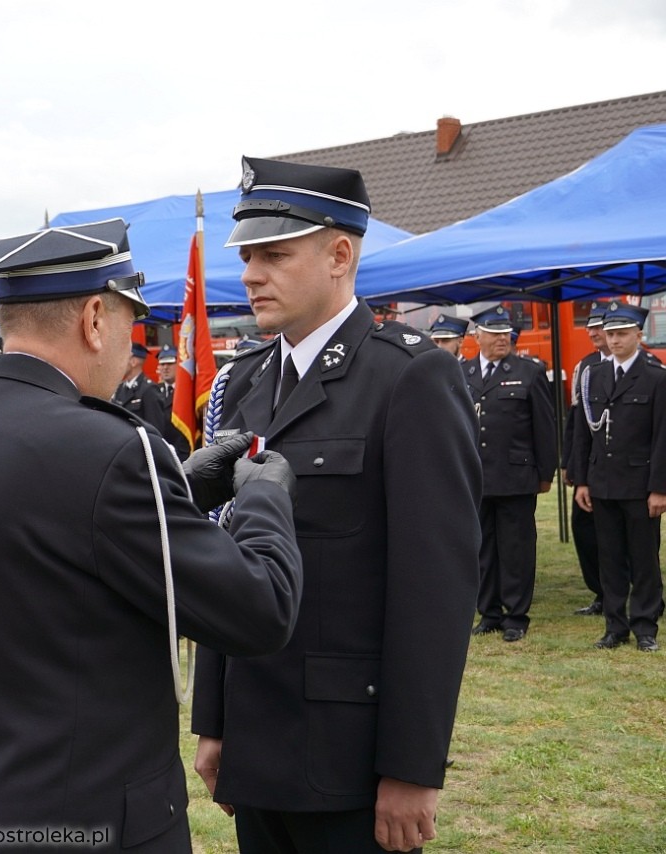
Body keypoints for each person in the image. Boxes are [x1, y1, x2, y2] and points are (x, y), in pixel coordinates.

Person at [0, 218, 303, 852]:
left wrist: (182, 488)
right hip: (84, 816)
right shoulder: (111, 448)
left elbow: (42, 540)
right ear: (93, 317)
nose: (128, 344)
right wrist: (263, 500)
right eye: (127, 323)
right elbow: (260, 609)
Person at [191, 158, 481, 854]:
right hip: (258, 737)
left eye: (274, 254)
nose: (251, 273)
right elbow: (225, 558)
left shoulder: (409, 376)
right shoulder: (247, 382)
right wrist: (215, 719)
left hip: (349, 747)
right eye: (247, 255)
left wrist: (412, 768)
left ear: (339, 254)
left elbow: (434, 588)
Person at [571, 302, 666, 653]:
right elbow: (583, 433)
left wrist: (659, 488)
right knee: (609, 558)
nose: (614, 340)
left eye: (622, 333)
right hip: (602, 482)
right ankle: (615, 627)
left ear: (639, 335)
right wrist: (581, 481)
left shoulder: (656, 376)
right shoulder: (592, 375)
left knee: (643, 559)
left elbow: (662, 438)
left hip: (639, 485)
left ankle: (645, 627)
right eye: (610, 334)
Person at [464, 304, 557, 642]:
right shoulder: (465, 373)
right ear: (477, 336)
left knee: (516, 549)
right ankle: (489, 612)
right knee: (483, 548)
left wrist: (546, 472)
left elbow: (544, 428)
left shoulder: (529, 371)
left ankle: (516, 615)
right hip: (477, 478)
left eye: (506, 332)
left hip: (516, 477)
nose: (503, 338)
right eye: (494, 332)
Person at [563, 306, 613, 616]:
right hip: (593, 465)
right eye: (589, 327)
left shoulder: (644, 364)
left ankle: (643, 593)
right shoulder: (586, 366)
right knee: (584, 528)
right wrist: (571, 464)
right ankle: (601, 591)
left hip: (626, 467)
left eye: (599, 327)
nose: (593, 332)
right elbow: (576, 422)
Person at [112, 341, 173, 437]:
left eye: (122, 359)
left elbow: (155, 430)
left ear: (133, 362)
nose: (118, 363)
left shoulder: (149, 390)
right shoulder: (119, 388)